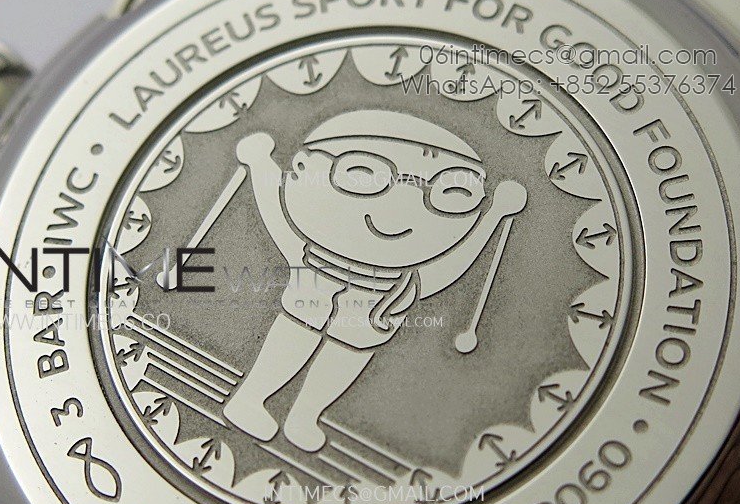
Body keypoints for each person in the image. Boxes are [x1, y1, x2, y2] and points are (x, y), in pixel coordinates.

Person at [223, 110, 527, 452]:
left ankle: (305, 416)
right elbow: (275, 209)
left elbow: (453, 266)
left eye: (452, 192)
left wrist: (494, 216)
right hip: (314, 295)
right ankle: (250, 398)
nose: (402, 204)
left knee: (349, 352)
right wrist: (260, 165)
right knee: (297, 333)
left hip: (377, 307)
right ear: (304, 168)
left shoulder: (405, 281)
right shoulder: (310, 254)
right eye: (363, 173)